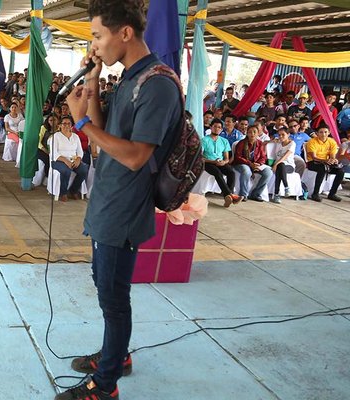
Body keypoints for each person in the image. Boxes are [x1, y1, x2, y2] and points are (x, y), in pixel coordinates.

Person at [60, 0, 181, 398]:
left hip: (125, 207)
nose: (94, 45)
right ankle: (117, 354)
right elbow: (104, 137)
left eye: (97, 35)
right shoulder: (130, 76)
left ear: (125, 33)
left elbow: (134, 156)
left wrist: (79, 123)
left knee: (113, 295)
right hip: (108, 198)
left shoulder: (157, 83)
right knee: (105, 285)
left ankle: (105, 384)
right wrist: (92, 83)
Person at [202, 119, 239, 207]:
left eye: (219, 127)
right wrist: (213, 161)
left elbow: (226, 158)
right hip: (208, 162)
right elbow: (200, 158)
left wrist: (224, 162)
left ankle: (228, 196)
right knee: (217, 173)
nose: (216, 129)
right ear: (211, 127)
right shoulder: (204, 140)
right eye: (215, 126)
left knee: (231, 172)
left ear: (221, 129)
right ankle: (230, 195)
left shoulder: (224, 141)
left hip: (220, 162)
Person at [51, 115, 88, 202]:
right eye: (64, 124)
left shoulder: (75, 137)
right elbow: (54, 153)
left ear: (72, 125)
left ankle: (73, 190)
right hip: (59, 160)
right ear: (60, 125)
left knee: (83, 169)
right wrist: (65, 161)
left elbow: (80, 151)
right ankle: (63, 193)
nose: (66, 125)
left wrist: (78, 159)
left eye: (69, 123)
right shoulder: (56, 136)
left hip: (73, 160)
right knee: (66, 170)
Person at [232, 125, 272, 202]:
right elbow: (238, 157)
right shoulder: (242, 143)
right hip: (241, 164)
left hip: (256, 164)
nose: (252, 134)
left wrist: (259, 164)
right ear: (247, 133)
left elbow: (263, 157)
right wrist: (250, 164)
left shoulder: (260, 143)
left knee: (268, 172)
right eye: (250, 132)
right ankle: (243, 194)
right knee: (246, 171)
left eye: (254, 132)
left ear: (258, 134)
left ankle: (256, 194)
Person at [304, 126, 344, 202]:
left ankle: (332, 194)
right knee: (322, 169)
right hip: (313, 162)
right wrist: (325, 161)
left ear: (329, 133)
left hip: (326, 162)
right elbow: (314, 157)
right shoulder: (312, 141)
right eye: (321, 132)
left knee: (340, 172)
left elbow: (332, 155)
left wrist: (333, 160)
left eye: (325, 132)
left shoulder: (331, 141)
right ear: (317, 133)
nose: (323, 134)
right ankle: (315, 194)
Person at [270, 128, 296, 203]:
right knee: (280, 169)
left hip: (289, 166)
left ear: (288, 135)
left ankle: (278, 193)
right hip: (279, 166)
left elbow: (285, 156)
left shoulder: (292, 143)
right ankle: (285, 189)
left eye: (283, 135)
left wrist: (276, 164)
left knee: (280, 165)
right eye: (279, 135)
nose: (281, 136)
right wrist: (272, 141)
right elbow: (265, 142)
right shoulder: (278, 143)